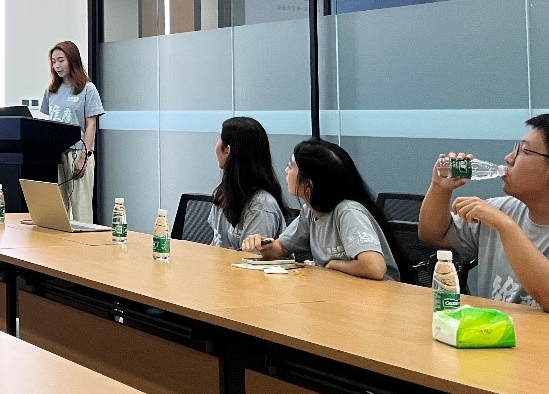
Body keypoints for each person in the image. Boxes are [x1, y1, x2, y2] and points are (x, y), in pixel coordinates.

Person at [419, 117, 549, 310]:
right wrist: (440, 188)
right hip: (490, 327)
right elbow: (432, 235)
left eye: (524, 151)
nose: (509, 158)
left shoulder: (500, 218)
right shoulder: (502, 209)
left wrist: (506, 227)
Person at [243, 139, 409, 282]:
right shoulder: (310, 212)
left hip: (378, 297)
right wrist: (263, 245)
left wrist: (333, 265)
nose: (286, 171)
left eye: (290, 167)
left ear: (308, 185)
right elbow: (281, 248)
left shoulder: (347, 212)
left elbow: (374, 268)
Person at [39, 40, 104, 223]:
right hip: (56, 155)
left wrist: (84, 157)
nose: (57, 66)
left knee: (81, 208)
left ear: (72, 60)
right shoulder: (51, 90)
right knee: (58, 209)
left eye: (61, 60)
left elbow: (91, 125)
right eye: (53, 62)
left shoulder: (88, 89)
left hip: (78, 153)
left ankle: (85, 241)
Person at [209, 117, 289, 250]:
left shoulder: (261, 206)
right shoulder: (223, 192)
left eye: (219, 139)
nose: (215, 146)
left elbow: (252, 257)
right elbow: (216, 243)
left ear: (227, 150)